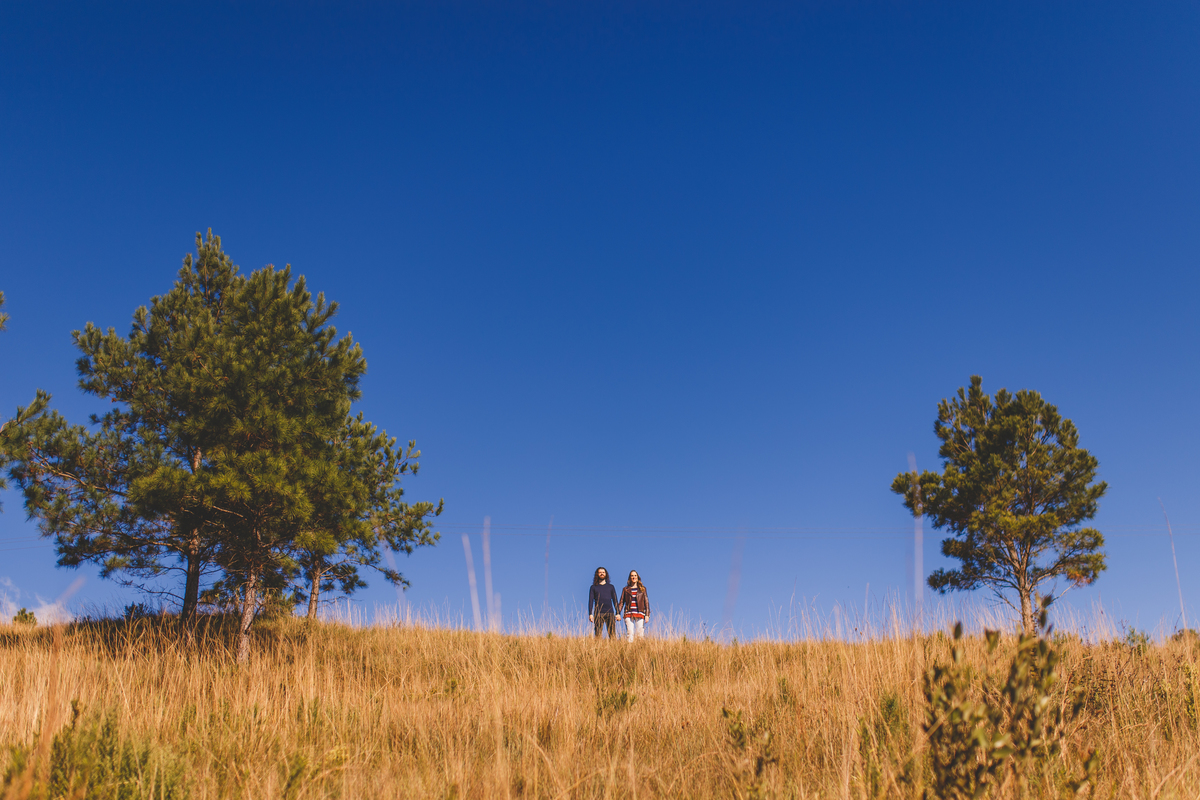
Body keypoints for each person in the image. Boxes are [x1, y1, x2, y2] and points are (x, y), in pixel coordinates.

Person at [588, 567, 620, 638]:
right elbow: (590, 600)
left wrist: (618, 613)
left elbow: (615, 600)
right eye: (600, 572)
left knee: (612, 634)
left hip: (610, 612)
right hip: (598, 613)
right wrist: (590, 613)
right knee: (598, 634)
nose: (602, 573)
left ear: (606, 574)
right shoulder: (593, 587)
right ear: (597, 574)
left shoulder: (611, 587)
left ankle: (613, 648)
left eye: (603, 572)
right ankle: (597, 648)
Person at [619, 570, 649, 642]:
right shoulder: (625, 589)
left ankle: (640, 650)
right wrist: (617, 613)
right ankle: (630, 650)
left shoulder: (642, 589)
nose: (633, 577)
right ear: (629, 578)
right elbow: (621, 602)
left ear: (637, 577)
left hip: (640, 613)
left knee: (640, 633)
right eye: (632, 576)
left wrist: (647, 615)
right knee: (630, 633)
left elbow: (646, 602)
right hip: (628, 613)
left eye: (635, 575)